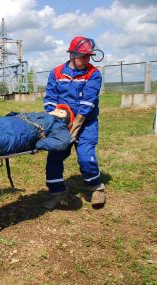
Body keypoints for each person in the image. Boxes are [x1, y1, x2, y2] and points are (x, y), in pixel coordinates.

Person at [43, 36, 105, 210]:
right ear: (73, 55)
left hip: (86, 122)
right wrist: (57, 117)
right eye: (83, 56)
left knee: (86, 156)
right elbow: (49, 99)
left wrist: (76, 126)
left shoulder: (93, 74)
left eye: (89, 56)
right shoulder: (56, 73)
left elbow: (88, 101)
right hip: (62, 122)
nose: (87, 60)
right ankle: (58, 193)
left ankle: (96, 188)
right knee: (55, 156)